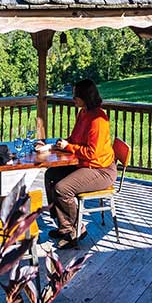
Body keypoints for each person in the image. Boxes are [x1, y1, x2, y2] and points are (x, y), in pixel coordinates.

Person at [44, 78, 116, 249]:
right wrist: (56, 145)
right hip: (85, 164)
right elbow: (75, 139)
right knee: (50, 175)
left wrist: (69, 146)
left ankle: (76, 229)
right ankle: (64, 226)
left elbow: (93, 153)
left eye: (75, 95)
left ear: (85, 96)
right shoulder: (83, 113)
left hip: (101, 169)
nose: (72, 98)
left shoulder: (98, 119)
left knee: (62, 188)